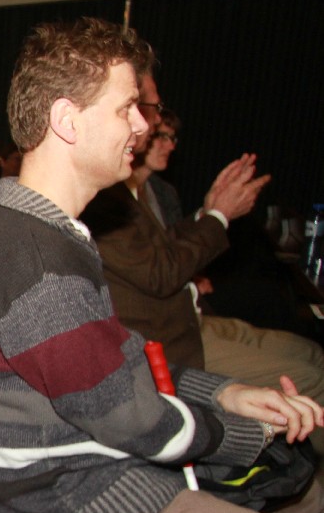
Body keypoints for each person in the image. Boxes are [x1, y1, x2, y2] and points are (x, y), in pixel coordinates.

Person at [0, 17, 324, 513]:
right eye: (126, 108)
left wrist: (223, 392)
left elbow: (118, 361)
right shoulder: (36, 262)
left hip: (87, 484)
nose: (142, 126)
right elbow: (133, 421)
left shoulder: (51, 229)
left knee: (309, 499)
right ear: (67, 120)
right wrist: (244, 433)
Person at [80, 71, 324, 405]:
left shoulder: (146, 190)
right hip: (165, 339)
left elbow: (162, 247)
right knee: (313, 378)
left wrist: (208, 212)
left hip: (184, 316)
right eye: (147, 107)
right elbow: (161, 272)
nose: (153, 122)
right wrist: (218, 216)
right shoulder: (103, 191)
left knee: (312, 352)